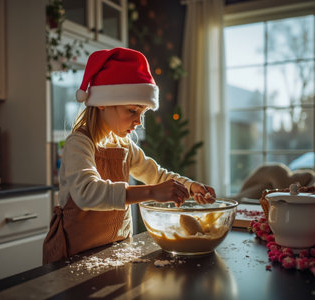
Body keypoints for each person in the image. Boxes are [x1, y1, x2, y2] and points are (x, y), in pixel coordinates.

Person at [43, 47, 216, 264]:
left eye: (142, 113)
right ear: (103, 103)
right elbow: (86, 192)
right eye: (132, 111)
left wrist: (189, 186)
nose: (138, 121)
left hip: (115, 250)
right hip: (73, 254)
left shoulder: (124, 145)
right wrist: (152, 192)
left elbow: (157, 175)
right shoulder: (78, 143)